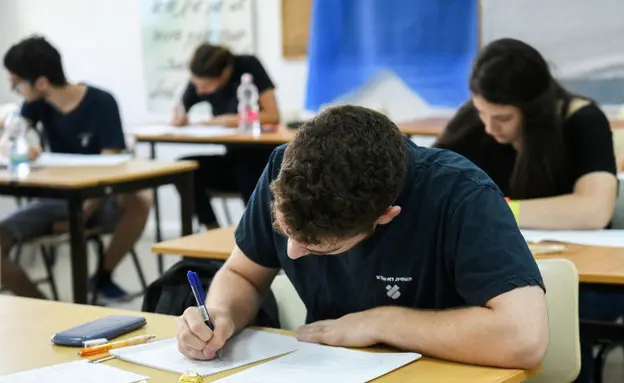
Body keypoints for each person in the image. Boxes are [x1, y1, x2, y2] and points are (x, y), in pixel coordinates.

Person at [176, 105, 548, 369]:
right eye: (285, 231)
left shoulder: (461, 195)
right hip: (331, 368)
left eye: (323, 247)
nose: (292, 252)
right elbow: (243, 274)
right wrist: (221, 315)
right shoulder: (284, 167)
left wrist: (380, 322)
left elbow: (524, 339)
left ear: (386, 216)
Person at [434, 38, 619, 382]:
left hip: (584, 276)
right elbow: (429, 180)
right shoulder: (479, 117)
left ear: (533, 111)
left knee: (553, 324)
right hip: (499, 270)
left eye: (502, 118)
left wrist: (500, 211)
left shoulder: (581, 119)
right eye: (482, 113)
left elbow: (594, 209)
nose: (489, 128)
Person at [0, 36, 152, 301]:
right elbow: (11, 139)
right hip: (56, 201)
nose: (18, 91)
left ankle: (102, 276)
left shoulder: (101, 103)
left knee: (139, 200)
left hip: (98, 200)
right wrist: (21, 146)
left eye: (19, 85)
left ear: (42, 82)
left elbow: (109, 170)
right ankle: (45, 308)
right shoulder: (35, 105)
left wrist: (79, 214)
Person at [172, 44, 280, 229]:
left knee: (244, 168)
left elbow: (272, 115)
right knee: (184, 171)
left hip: (261, 159)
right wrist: (179, 115)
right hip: (232, 159)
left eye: (205, 87)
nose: (199, 92)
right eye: (196, 84)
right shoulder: (201, 77)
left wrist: (229, 120)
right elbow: (180, 111)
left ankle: (259, 237)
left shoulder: (249, 66)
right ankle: (212, 229)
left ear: (223, 75)